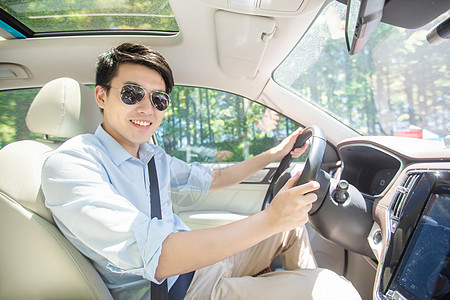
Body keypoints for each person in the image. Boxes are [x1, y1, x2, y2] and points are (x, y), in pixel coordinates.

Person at [41, 43, 361, 300]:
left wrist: (276, 153)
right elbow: (158, 256)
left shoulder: (153, 157)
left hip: (202, 265)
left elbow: (216, 178)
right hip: (178, 291)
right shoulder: (72, 165)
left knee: (289, 230)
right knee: (336, 290)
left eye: (159, 99)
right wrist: (270, 218)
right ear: (101, 95)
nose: (147, 108)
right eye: (131, 94)